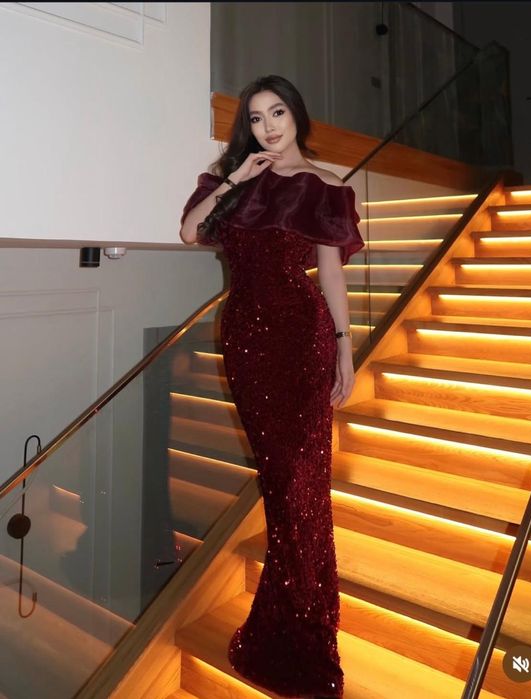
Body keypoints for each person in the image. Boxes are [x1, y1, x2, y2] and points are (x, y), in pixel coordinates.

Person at [179, 75, 364, 699]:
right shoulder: (232, 180)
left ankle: (303, 628)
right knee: (282, 482)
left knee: (299, 484)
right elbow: (190, 231)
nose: (268, 127)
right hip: (247, 343)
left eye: (277, 112)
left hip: (302, 340)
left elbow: (331, 275)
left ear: (297, 115)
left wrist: (344, 347)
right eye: (256, 119)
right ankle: (291, 619)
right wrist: (234, 179)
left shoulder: (325, 185)